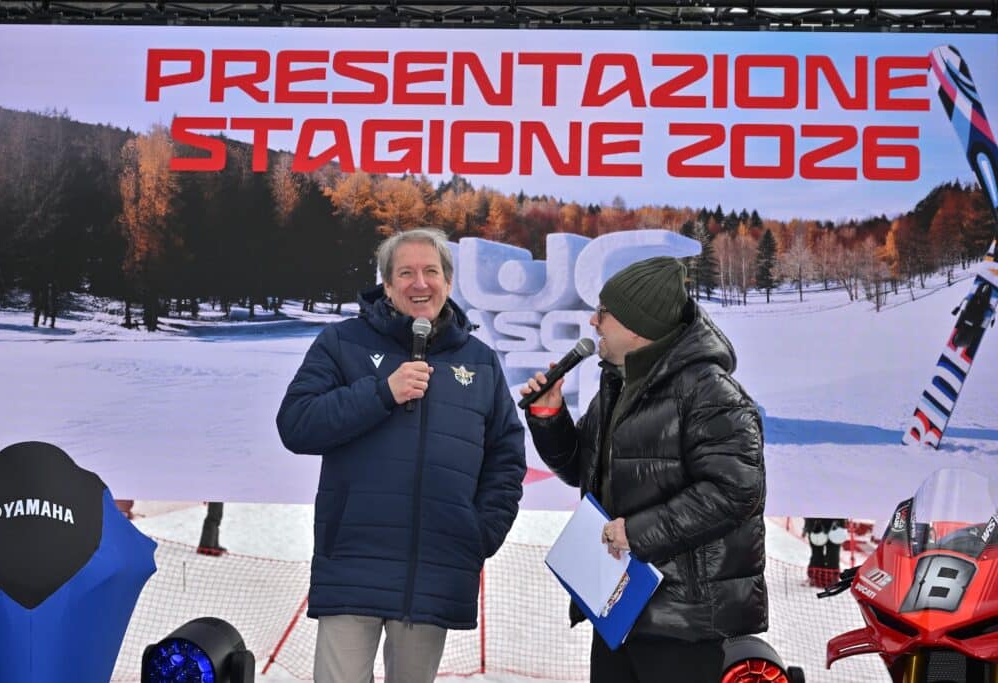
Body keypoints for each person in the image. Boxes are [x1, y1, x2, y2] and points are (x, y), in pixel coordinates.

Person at [277, 227, 526, 683]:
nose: (420, 283)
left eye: (431, 271)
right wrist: (381, 393)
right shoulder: (342, 344)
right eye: (405, 273)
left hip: (434, 572)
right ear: (387, 286)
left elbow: (506, 460)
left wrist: (478, 534)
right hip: (353, 563)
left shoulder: (482, 362)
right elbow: (296, 424)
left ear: (448, 283)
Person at [520, 256, 767, 683]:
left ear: (636, 326)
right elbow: (582, 469)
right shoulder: (619, 381)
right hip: (621, 609)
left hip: (685, 620)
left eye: (605, 313)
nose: (593, 321)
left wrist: (636, 533)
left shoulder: (711, 392)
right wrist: (549, 418)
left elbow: (736, 492)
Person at [803, 518, 847, 588]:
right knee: (819, 554)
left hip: (834, 523)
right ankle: (818, 578)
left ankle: (827, 578)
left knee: (831, 554)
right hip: (818, 522)